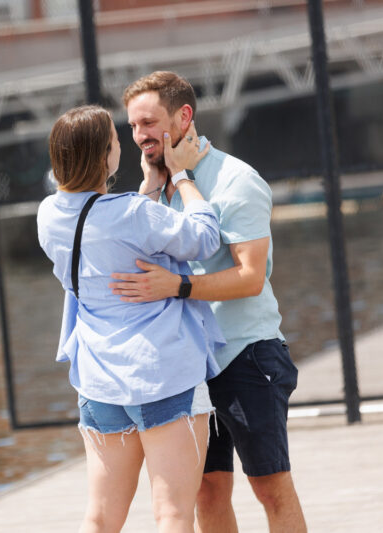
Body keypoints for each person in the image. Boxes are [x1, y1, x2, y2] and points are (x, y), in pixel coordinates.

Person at [110, 71, 307, 532]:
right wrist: (155, 186)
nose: (139, 137)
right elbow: (136, 257)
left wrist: (178, 287)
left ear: (184, 117)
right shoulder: (157, 185)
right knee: (206, 490)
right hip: (189, 366)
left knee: (270, 486)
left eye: (148, 124)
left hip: (248, 355)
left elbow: (251, 277)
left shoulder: (237, 181)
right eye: (133, 127)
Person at [37, 104, 226, 533]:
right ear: (105, 155)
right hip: (163, 375)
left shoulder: (49, 215)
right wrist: (181, 177)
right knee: (173, 514)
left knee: (100, 518)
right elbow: (204, 237)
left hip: (100, 382)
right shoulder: (132, 213)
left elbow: (108, 236)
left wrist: (146, 190)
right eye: (116, 138)